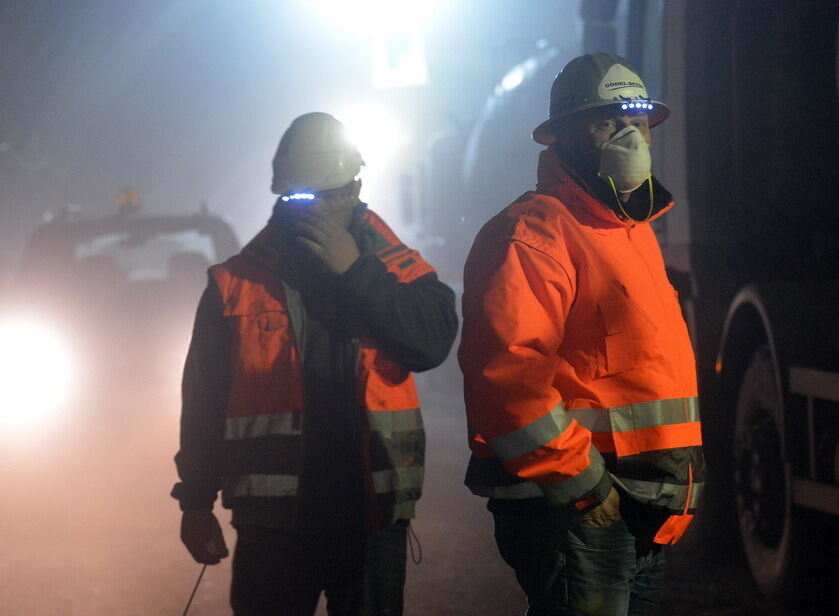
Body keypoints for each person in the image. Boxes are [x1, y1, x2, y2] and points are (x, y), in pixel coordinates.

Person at [172, 112, 458, 616]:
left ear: (356, 190)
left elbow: (431, 345)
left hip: (369, 519)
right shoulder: (236, 284)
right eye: (303, 197)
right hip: (273, 528)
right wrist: (195, 502)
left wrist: (356, 270)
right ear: (282, 195)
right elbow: (203, 403)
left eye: (332, 195)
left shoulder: (395, 269)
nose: (318, 210)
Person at [459, 53, 705, 615]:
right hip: (576, 510)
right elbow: (509, 381)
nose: (629, 137)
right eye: (607, 123)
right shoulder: (532, 234)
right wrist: (582, 486)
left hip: (634, 508)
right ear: (563, 136)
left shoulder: (630, 232)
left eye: (638, 121)